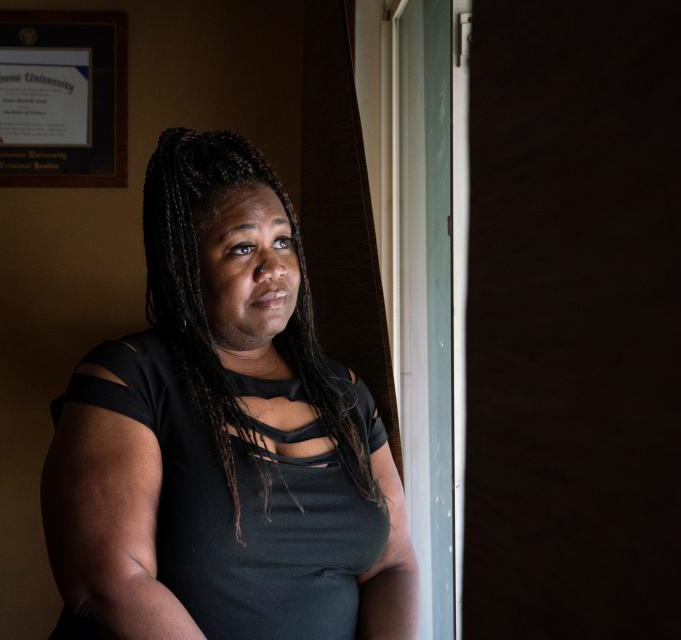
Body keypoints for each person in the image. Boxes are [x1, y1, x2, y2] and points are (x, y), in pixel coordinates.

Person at [41, 128, 419, 639]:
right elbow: (109, 581)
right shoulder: (130, 377)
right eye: (243, 248)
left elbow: (394, 565)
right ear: (184, 267)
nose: (274, 267)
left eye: (283, 241)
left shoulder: (344, 393)